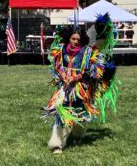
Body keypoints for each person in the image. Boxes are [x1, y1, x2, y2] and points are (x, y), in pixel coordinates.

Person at [43, 26, 106, 154]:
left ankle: (78, 135)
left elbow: (91, 71)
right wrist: (63, 75)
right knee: (62, 112)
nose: (75, 42)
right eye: (73, 39)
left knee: (79, 112)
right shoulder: (60, 50)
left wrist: (76, 77)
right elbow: (56, 65)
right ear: (68, 38)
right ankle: (57, 144)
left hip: (80, 88)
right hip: (65, 88)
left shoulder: (87, 52)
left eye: (78, 39)